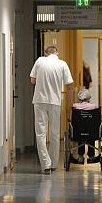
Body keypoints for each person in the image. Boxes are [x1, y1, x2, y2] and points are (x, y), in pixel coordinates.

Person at [30, 46, 73, 174]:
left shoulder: (39, 61)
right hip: (55, 101)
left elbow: (33, 80)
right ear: (57, 53)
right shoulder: (62, 64)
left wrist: (42, 80)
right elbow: (69, 85)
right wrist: (70, 104)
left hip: (39, 100)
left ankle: (46, 164)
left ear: (45, 53)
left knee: (41, 133)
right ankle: (54, 163)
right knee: (55, 134)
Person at [73, 89, 99, 163]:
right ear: (89, 98)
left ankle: (80, 156)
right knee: (91, 132)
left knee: (80, 131)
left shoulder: (75, 107)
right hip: (92, 133)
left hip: (79, 132)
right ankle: (91, 155)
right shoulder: (94, 107)